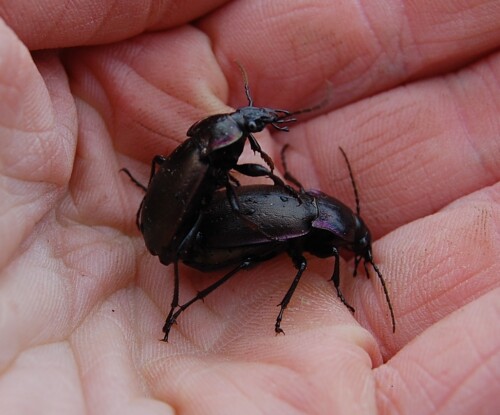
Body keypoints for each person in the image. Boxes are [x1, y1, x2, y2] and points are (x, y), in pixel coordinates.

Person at [0, 1, 498, 413]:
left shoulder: (230, 155)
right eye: (351, 246)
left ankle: (184, 296)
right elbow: (243, 188)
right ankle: (185, 301)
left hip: (190, 228)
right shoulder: (247, 179)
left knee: (247, 234)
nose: (258, 135)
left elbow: (241, 167)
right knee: (251, 252)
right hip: (187, 240)